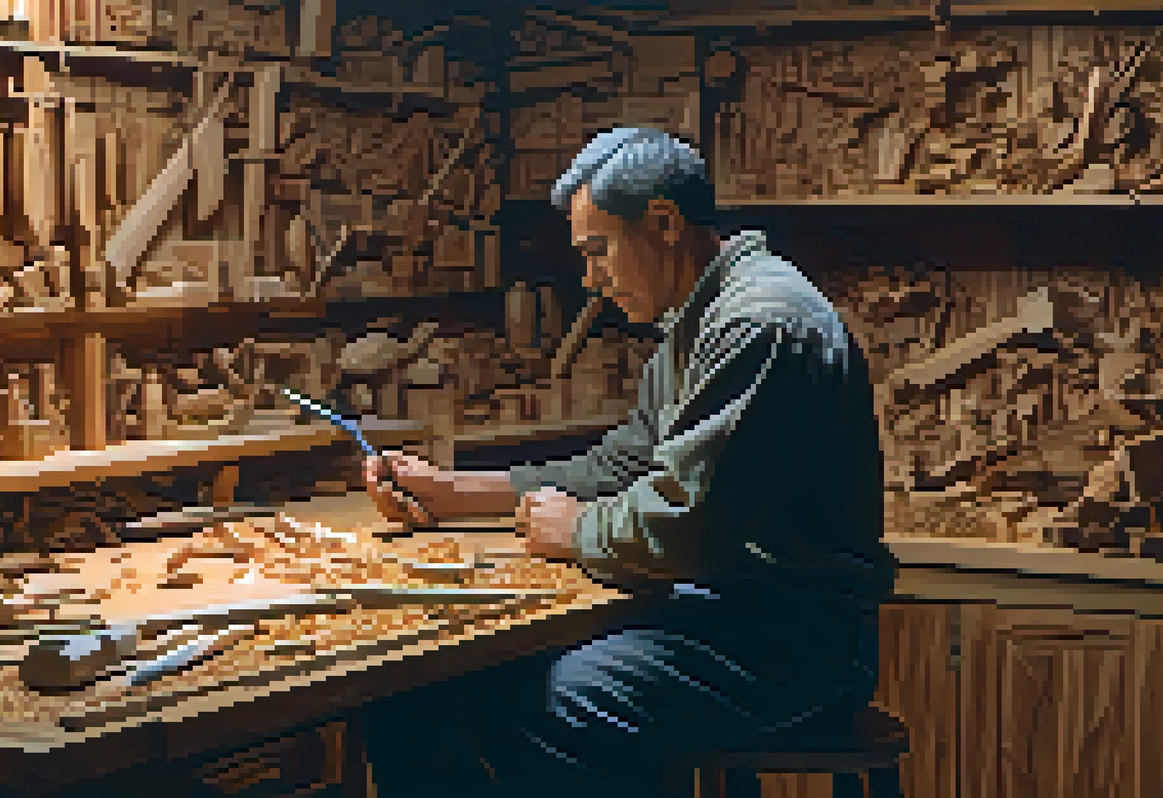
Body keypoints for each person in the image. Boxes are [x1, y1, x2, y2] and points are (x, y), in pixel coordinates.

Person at [356, 128, 898, 797]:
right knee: (426, 686)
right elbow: (622, 466)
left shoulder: (760, 322)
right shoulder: (696, 320)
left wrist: (577, 530)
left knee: (562, 703)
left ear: (663, 223)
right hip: (729, 610)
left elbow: (683, 527)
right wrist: (455, 492)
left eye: (597, 251)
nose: (590, 281)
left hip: (795, 636)